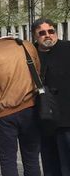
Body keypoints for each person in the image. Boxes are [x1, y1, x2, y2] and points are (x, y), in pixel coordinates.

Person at [0, 29, 42, 176]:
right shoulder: (27, 46)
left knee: (8, 160)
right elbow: (38, 74)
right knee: (32, 159)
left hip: (2, 115)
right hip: (31, 109)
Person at [32, 18, 70, 176]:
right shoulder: (30, 54)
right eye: (42, 33)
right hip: (43, 118)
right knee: (49, 163)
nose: (47, 35)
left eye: (51, 31)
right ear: (35, 36)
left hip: (67, 118)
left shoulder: (67, 48)